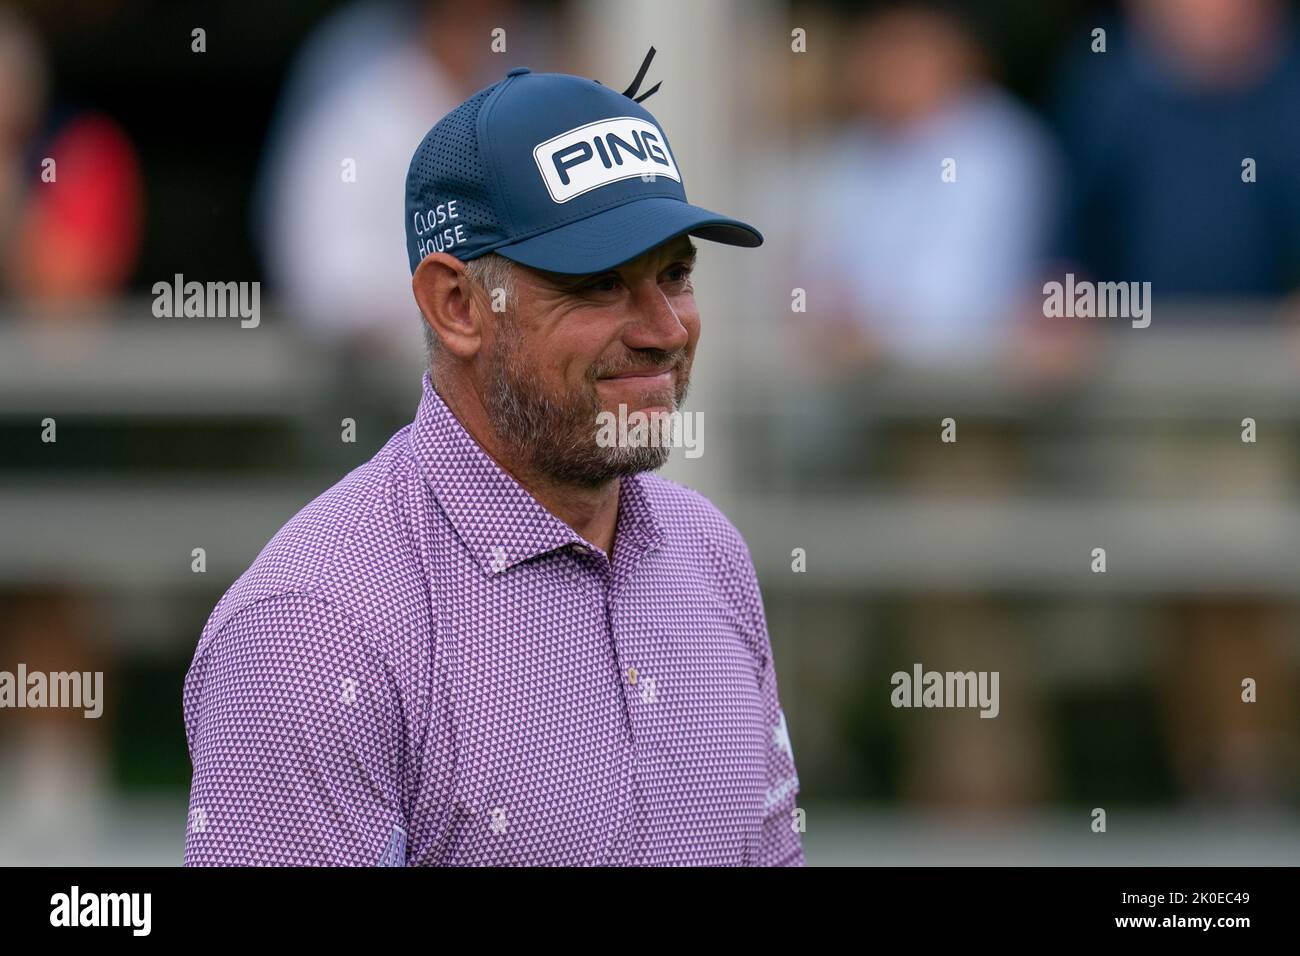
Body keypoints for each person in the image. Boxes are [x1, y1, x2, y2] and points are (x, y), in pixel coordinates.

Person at [182, 59, 805, 866]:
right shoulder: (314, 630)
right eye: (598, 283)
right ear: (456, 305)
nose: (664, 328)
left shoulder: (709, 554)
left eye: (675, 274)